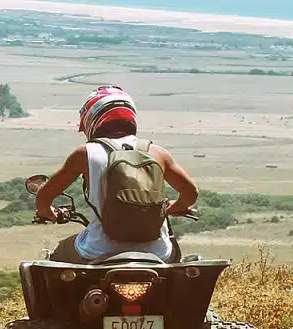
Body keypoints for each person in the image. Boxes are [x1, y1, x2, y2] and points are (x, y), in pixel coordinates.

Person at [34, 85, 199, 263]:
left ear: (92, 118)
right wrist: (171, 207)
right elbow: (190, 193)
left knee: (57, 256)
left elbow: (43, 199)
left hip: (98, 250)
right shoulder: (157, 152)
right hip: (158, 253)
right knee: (175, 266)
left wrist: (51, 213)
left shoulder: (84, 154)